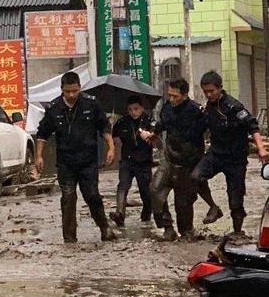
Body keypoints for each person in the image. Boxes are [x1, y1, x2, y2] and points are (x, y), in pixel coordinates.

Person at [35, 71, 116, 243]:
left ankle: (105, 227)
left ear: (79, 88)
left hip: (88, 161)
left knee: (92, 195)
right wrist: (39, 156)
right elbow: (42, 133)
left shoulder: (91, 104)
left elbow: (104, 127)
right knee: (68, 198)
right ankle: (70, 238)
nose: (71, 95)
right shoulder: (53, 108)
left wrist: (111, 148)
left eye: (75, 91)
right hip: (66, 163)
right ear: (61, 90)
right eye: (67, 92)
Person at [193, 70, 268, 235]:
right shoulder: (208, 108)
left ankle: (237, 232)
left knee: (235, 199)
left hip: (236, 159)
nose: (209, 94)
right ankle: (213, 207)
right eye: (206, 92)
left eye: (212, 91)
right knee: (196, 177)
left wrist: (261, 148)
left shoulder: (234, 106)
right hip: (216, 154)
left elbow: (252, 126)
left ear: (220, 88)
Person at [141, 78, 205, 241]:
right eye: (169, 95)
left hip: (187, 161)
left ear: (184, 95)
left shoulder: (196, 111)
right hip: (169, 157)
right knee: (155, 189)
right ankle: (167, 227)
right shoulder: (167, 107)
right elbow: (161, 124)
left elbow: (210, 131)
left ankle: (186, 231)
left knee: (182, 201)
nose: (171, 99)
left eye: (175, 96)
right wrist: (152, 134)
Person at [109, 95, 153, 227]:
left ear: (142, 108)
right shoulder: (122, 122)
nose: (133, 112)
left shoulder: (148, 120)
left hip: (144, 161)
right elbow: (113, 137)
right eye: (130, 109)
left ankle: (146, 215)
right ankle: (120, 213)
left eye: (136, 109)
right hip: (127, 159)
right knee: (122, 185)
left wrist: (149, 135)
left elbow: (156, 136)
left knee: (145, 191)